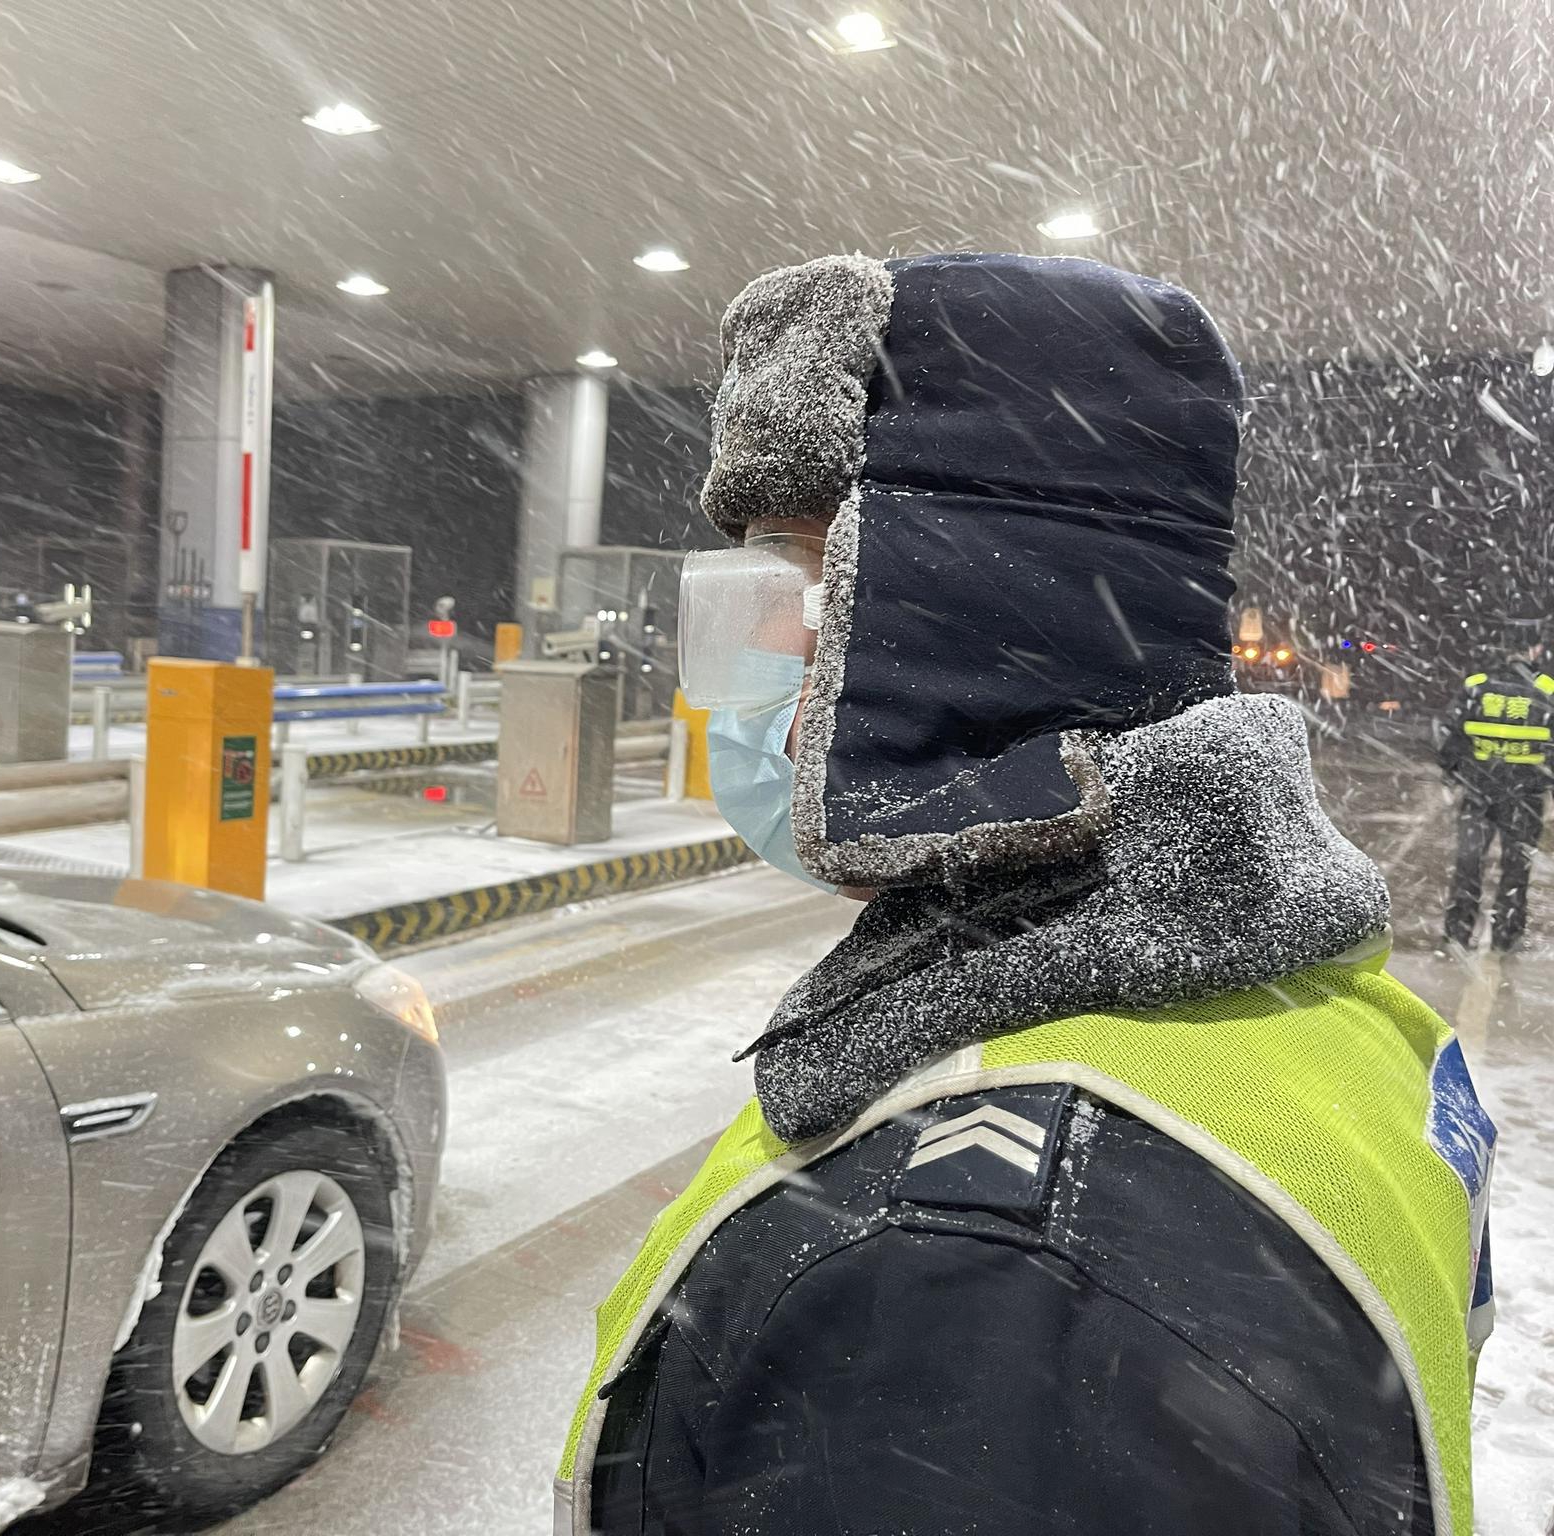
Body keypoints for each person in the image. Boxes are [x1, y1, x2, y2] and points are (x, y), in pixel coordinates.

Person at [554, 253, 1496, 1536]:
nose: (764, 643)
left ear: (970, 604)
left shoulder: (971, 1265)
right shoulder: (1302, 995)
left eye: (799, 577)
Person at [1441, 645, 1553, 952]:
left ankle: (1458, 933)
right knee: (1516, 867)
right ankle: (1506, 935)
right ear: (1534, 652)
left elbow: (1450, 736)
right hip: (1525, 797)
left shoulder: (1476, 686)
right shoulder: (1546, 690)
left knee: (1469, 862)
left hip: (1478, 791)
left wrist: (1454, 771)